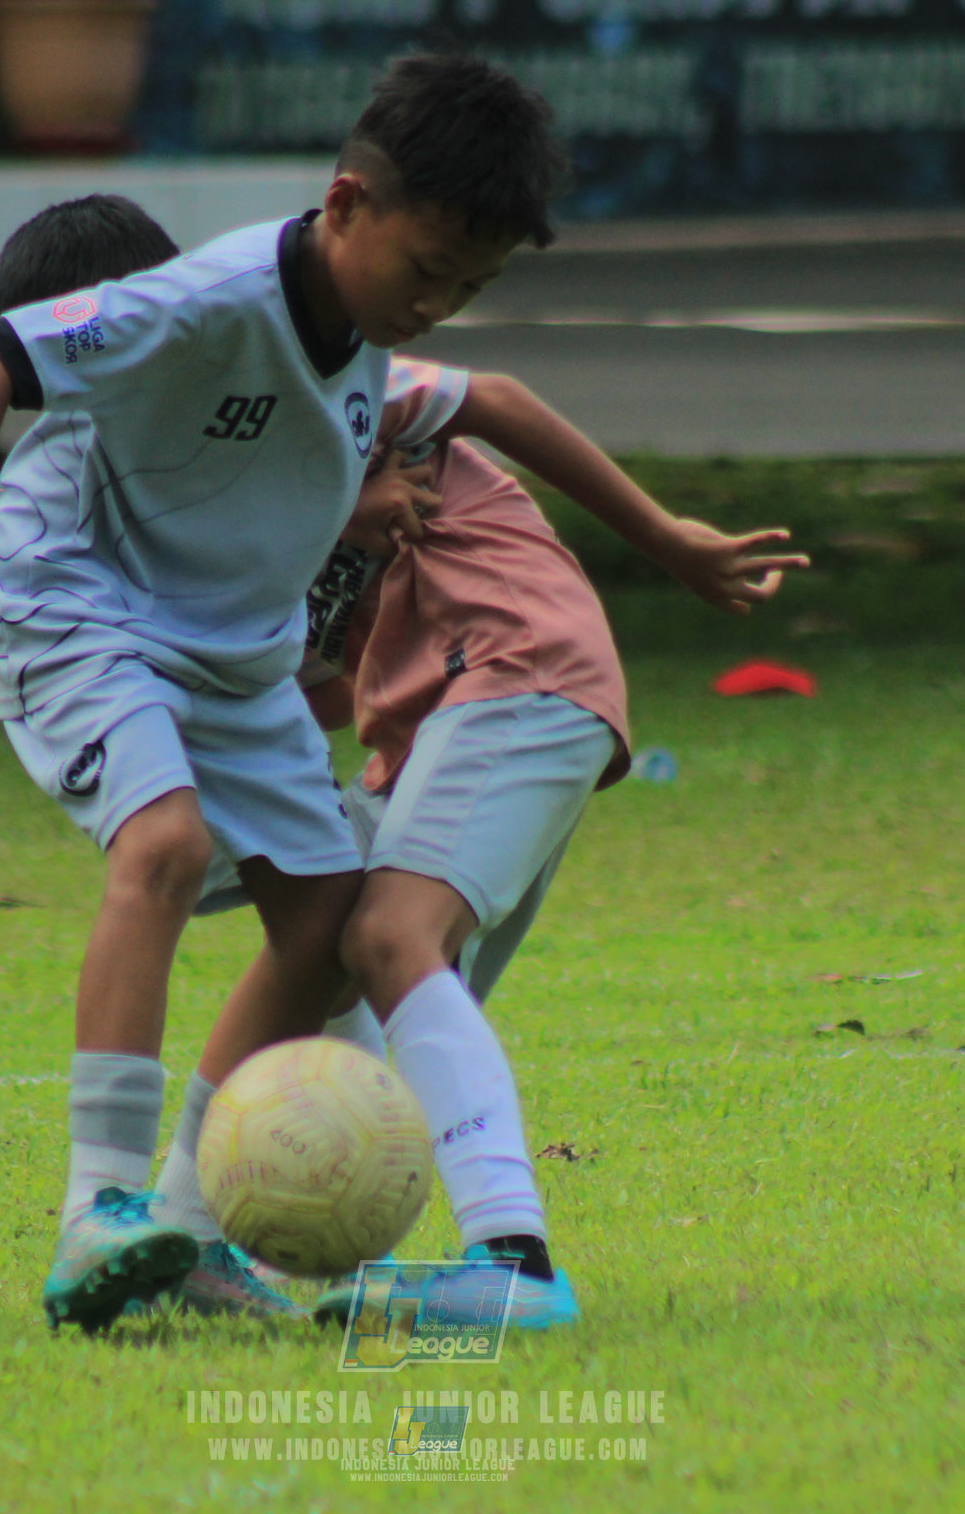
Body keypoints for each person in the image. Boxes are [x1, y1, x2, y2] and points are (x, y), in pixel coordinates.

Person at [0, 54, 574, 1333]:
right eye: (425, 267)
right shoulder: (204, 296)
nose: (437, 301)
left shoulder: (371, 336)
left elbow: (444, 417)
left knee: (324, 931)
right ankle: (93, 1207)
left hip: (231, 654)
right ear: (344, 206)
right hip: (79, 608)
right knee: (163, 841)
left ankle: (187, 1224)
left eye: (468, 285)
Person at [150, 357, 807, 1327]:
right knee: (328, 958)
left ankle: (514, 1261)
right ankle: (185, 1238)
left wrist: (668, 540)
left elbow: (493, 398)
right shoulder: (201, 506)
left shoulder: (293, 373)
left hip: (514, 665)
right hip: (432, 731)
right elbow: (326, 685)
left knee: (385, 934)